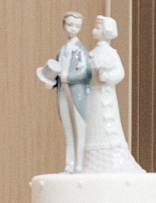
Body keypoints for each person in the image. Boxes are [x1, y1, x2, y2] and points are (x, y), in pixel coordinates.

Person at [82, 15, 143, 173]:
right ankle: (91, 160)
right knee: (93, 123)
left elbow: (120, 73)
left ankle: (111, 154)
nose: (93, 31)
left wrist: (107, 77)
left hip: (106, 95)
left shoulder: (111, 53)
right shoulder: (91, 53)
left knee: (108, 122)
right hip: (93, 96)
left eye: (97, 28)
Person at [37, 11, 92, 173]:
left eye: (77, 26)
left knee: (79, 131)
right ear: (64, 26)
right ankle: (69, 164)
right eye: (70, 25)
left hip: (78, 94)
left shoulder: (81, 51)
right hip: (64, 93)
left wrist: (67, 77)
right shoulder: (62, 51)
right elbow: (57, 71)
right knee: (68, 130)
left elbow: (86, 72)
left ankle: (80, 165)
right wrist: (52, 82)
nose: (73, 28)